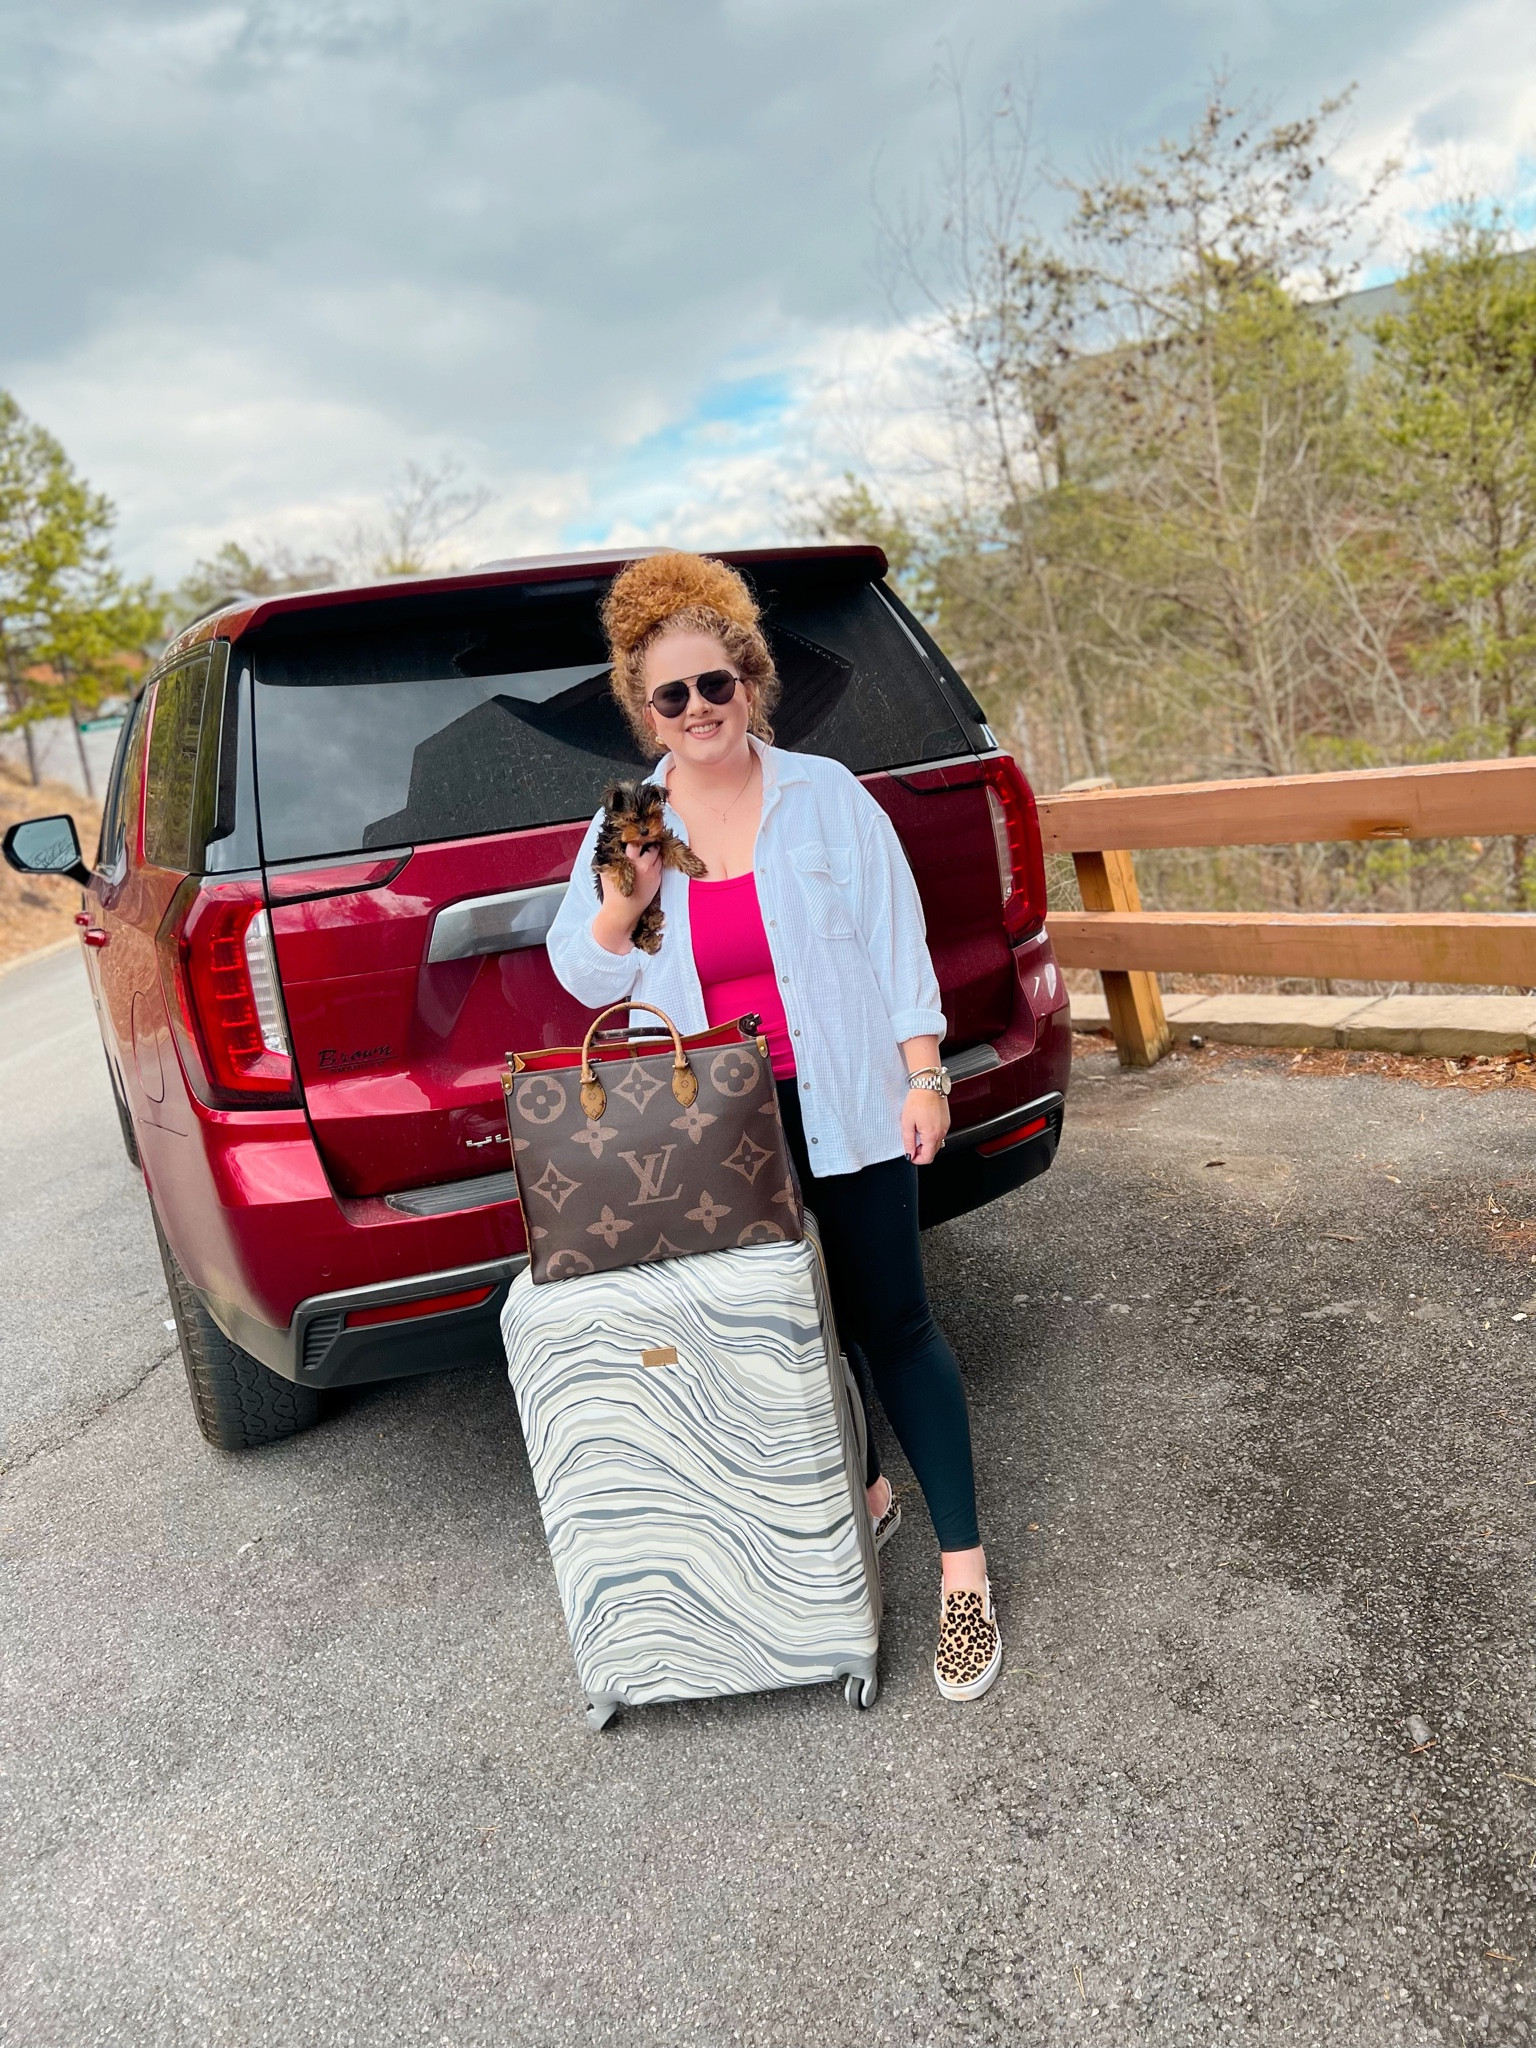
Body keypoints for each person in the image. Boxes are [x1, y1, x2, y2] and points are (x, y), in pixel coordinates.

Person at [545, 551, 1001, 1702]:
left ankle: (963, 1574)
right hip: (725, 1134)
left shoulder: (826, 796)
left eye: (716, 685)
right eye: (671, 696)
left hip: (848, 1105)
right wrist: (623, 901)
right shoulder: (635, 822)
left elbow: (898, 947)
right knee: (801, 1330)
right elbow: (584, 977)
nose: (698, 711)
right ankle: (867, 1501)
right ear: (642, 706)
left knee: (896, 1324)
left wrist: (924, 1074)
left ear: (748, 680)